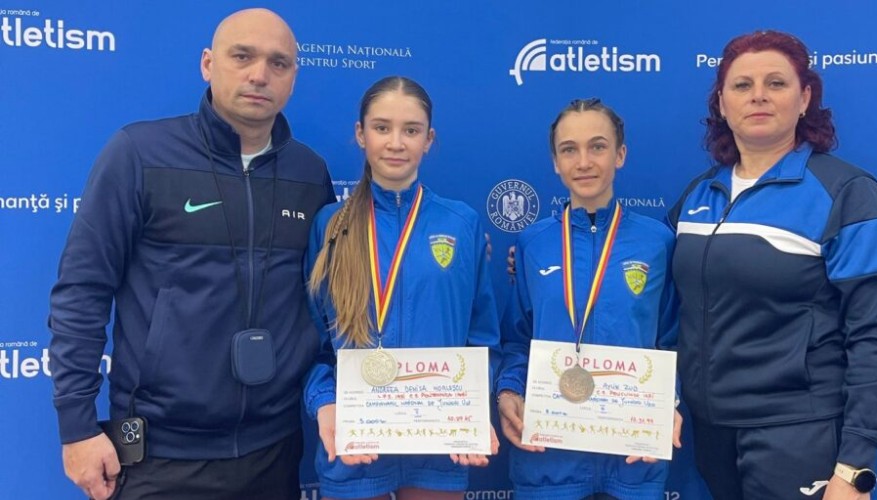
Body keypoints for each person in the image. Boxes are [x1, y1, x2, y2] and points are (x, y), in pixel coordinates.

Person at [48, 8, 334, 500]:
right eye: (242, 56)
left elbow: (324, 301)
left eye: (278, 63)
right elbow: (82, 290)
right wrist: (76, 427)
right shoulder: (140, 154)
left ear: (293, 76)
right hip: (159, 455)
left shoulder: (309, 173)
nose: (259, 74)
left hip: (274, 448)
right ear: (207, 63)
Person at [665, 30, 877, 500]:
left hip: (797, 433)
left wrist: (855, 465)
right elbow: (656, 295)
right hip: (710, 433)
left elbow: (873, 335)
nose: (758, 95)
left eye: (776, 83)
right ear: (722, 104)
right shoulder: (698, 194)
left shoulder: (846, 192)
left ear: (805, 98)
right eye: (742, 85)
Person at [303, 76, 501, 500]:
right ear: (361, 134)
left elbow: (482, 336)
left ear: (428, 140)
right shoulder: (330, 226)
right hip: (355, 440)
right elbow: (311, 338)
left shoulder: (461, 223)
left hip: (440, 444)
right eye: (382, 127)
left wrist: (472, 405)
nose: (396, 143)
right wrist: (324, 402)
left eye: (411, 130)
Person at [496, 98, 682, 500]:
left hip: (634, 458)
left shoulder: (657, 242)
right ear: (555, 162)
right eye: (569, 149)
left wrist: (671, 399)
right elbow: (517, 339)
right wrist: (509, 391)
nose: (584, 162)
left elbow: (673, 339)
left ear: (620, 154)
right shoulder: (533, 243)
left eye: (597, 146)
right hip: (549, 462)